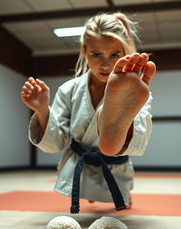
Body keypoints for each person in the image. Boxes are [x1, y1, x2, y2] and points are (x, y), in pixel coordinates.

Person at [21, 12, 156, 213]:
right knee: (111, 191)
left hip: (113, 160)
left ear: (125, 53)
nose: (105, 64)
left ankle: (118, 127)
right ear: (84, 50)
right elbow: (57, 141)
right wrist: (42, 111)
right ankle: (111, 125)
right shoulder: (70, 89)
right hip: (82, 162)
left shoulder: (132, 87)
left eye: (114, 55)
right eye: (96, 54)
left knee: (135, 118)